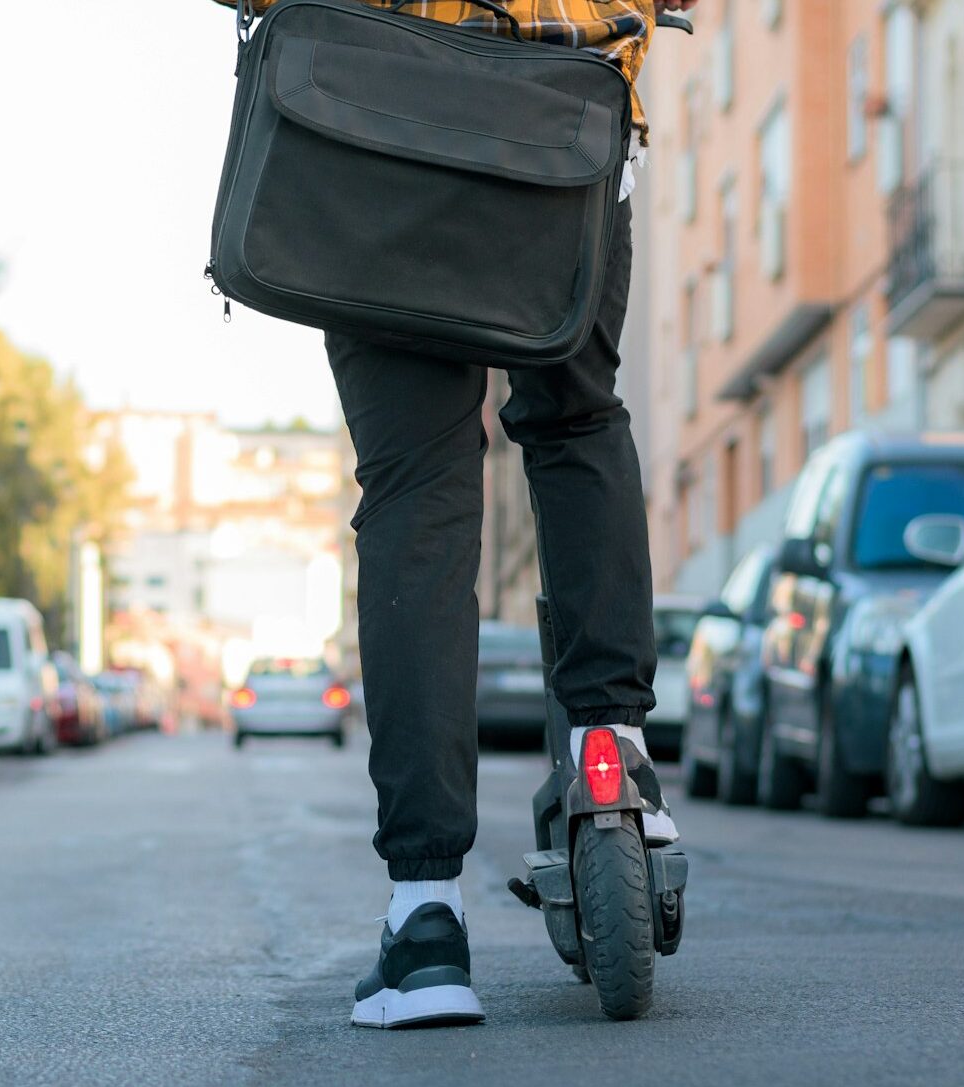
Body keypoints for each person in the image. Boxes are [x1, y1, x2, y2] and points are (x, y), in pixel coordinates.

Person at [211, 0, 700, 1030]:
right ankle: (612, 750)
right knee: (575, 422)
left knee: (416, 492)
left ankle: (426, 915)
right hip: (560, 126)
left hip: (373, 119)